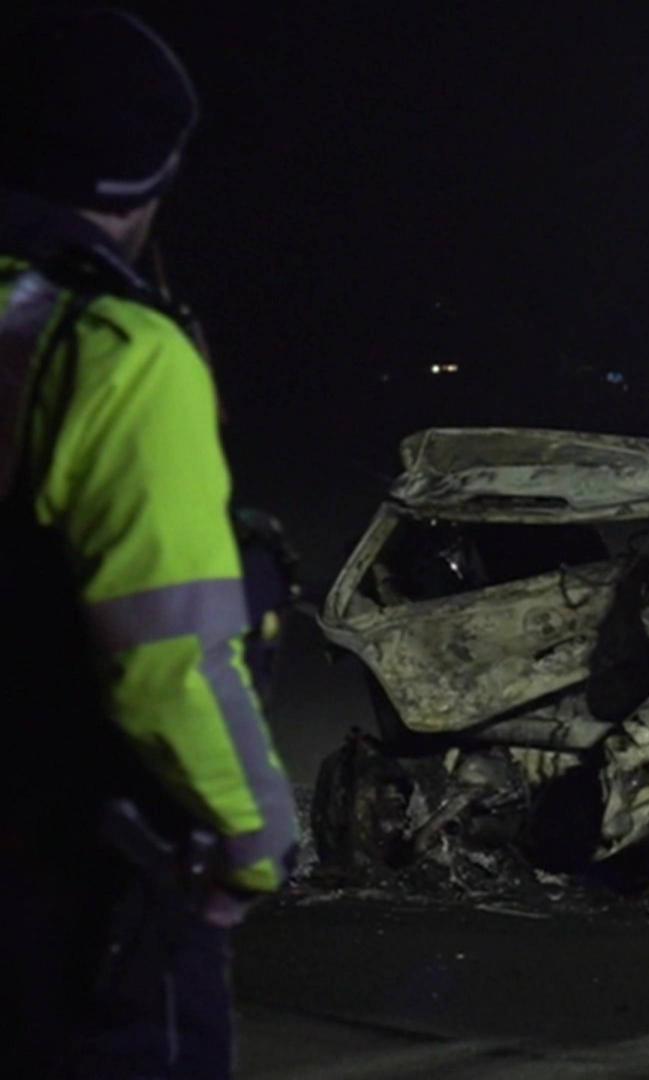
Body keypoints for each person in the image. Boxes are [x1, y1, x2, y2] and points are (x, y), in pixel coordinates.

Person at [0, 10, 298, 1077]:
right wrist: (260, 847)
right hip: (81, 906)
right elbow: (168, 667)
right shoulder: (115, 351)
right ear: (144, 178)